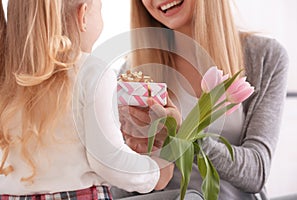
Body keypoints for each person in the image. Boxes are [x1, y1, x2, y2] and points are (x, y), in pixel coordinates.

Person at [114, 0, 289, 200]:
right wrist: (131, 155)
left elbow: (256, 173)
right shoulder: (134, 73)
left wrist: (183, 134)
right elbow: (122, 191)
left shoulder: (264, 57)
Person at [0, 0, 174, 199]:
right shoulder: (92, 71)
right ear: (83, 15)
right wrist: (156, 172)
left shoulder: (6, 80)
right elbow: (109, 161)